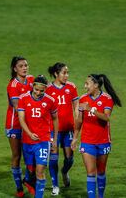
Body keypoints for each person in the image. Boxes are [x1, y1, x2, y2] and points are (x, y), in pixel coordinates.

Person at [71, 74, 121, 198]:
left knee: (101, 171)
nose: (85, 86)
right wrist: (75, 137)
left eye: (87, 84)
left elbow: (106, 118)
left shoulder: (107, 99)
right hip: (87, 141)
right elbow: (79, 120)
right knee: (91, 172)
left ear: (96, 85)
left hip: (103, 141)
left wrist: (91, 109)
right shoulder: (83, 99)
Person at [18, 75, 59, 198]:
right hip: (27, 141)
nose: (38, 93)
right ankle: (27, 180)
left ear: (45, 89)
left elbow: (56, 119)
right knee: (30, 170)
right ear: (33, 86)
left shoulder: (50, 100)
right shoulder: (23, 98)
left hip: (43, 141)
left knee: (40, 171)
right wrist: (29, 133)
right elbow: (21, 119)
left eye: (42, 90)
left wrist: (55, 140)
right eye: (36, 90)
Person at [45, 62, 79, 196]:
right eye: (64, 73)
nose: (67, 75)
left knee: (69, 158)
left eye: (67, 73)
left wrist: (77, 121)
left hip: (68, 129)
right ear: (56, 74)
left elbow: (76, 105)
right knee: (53, 158)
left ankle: (64, 172)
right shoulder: (48, 89)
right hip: (53, 131)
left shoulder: (71, 87)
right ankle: (55, 185)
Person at [4, 56, 34, 197]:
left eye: (26, 65)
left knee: (31, 155)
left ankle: (28, 180)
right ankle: (19, 188)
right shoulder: (13, 85)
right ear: (15, 69)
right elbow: (17, 106)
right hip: (14, 125)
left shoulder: (32, 80)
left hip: (29, 124)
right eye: (21, 66)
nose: (24, 68)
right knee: (17, 155)